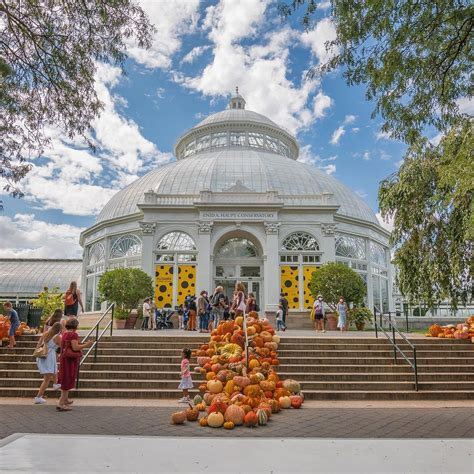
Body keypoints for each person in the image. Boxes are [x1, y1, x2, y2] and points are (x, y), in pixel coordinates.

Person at [57, 318, 93, 411]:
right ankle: (60, 403)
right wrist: (87, 345)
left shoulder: (65, 333)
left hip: (64, 358)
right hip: (70, 360)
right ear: (75, 326)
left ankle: (65, 400)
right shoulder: (73, 334)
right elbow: (75, 347)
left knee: (66, 377)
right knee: (68, 378)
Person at [34, 322, 62, 404]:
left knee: (54, 369)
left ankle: (55, 383)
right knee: (46, 379)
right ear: (59, 330)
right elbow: (62, 347)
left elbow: (38, 346)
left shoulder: (45, 334)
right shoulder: (58, 337)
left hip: (42, 357)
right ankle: (38, 397)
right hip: (49, 357)